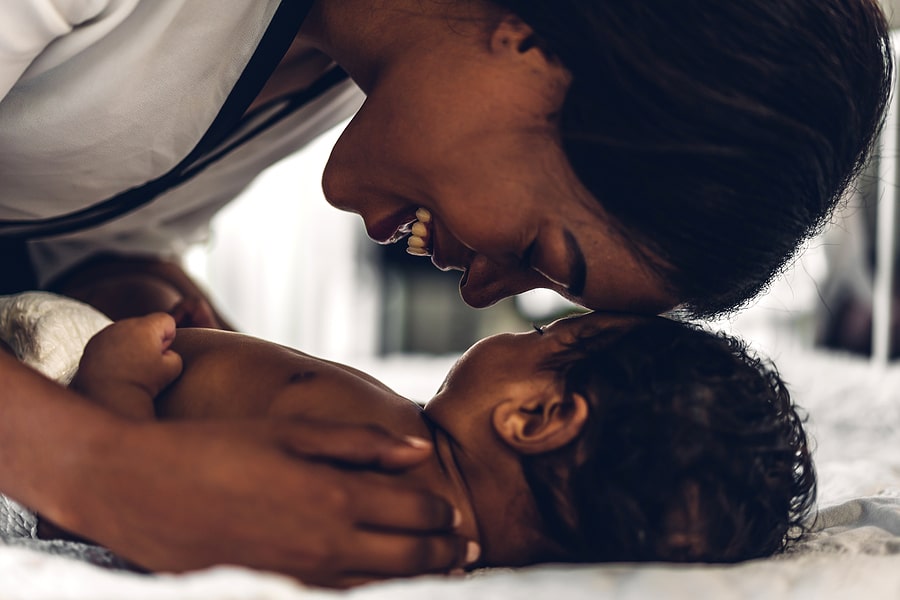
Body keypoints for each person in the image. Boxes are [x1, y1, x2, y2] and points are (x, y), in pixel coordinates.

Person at [0, 0, 886, 583]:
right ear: (533, 46)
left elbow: (74, 203)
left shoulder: (327, 74)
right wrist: (100, 471)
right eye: (543, 250)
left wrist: (111, 273)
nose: (485, 295)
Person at [30, 305, 813, 582]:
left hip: (60, 390)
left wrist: (115, 383)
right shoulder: (418, 494)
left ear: (535, 419)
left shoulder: (376, 474)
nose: (520, 325)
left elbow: (129, 516)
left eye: (547, 331)